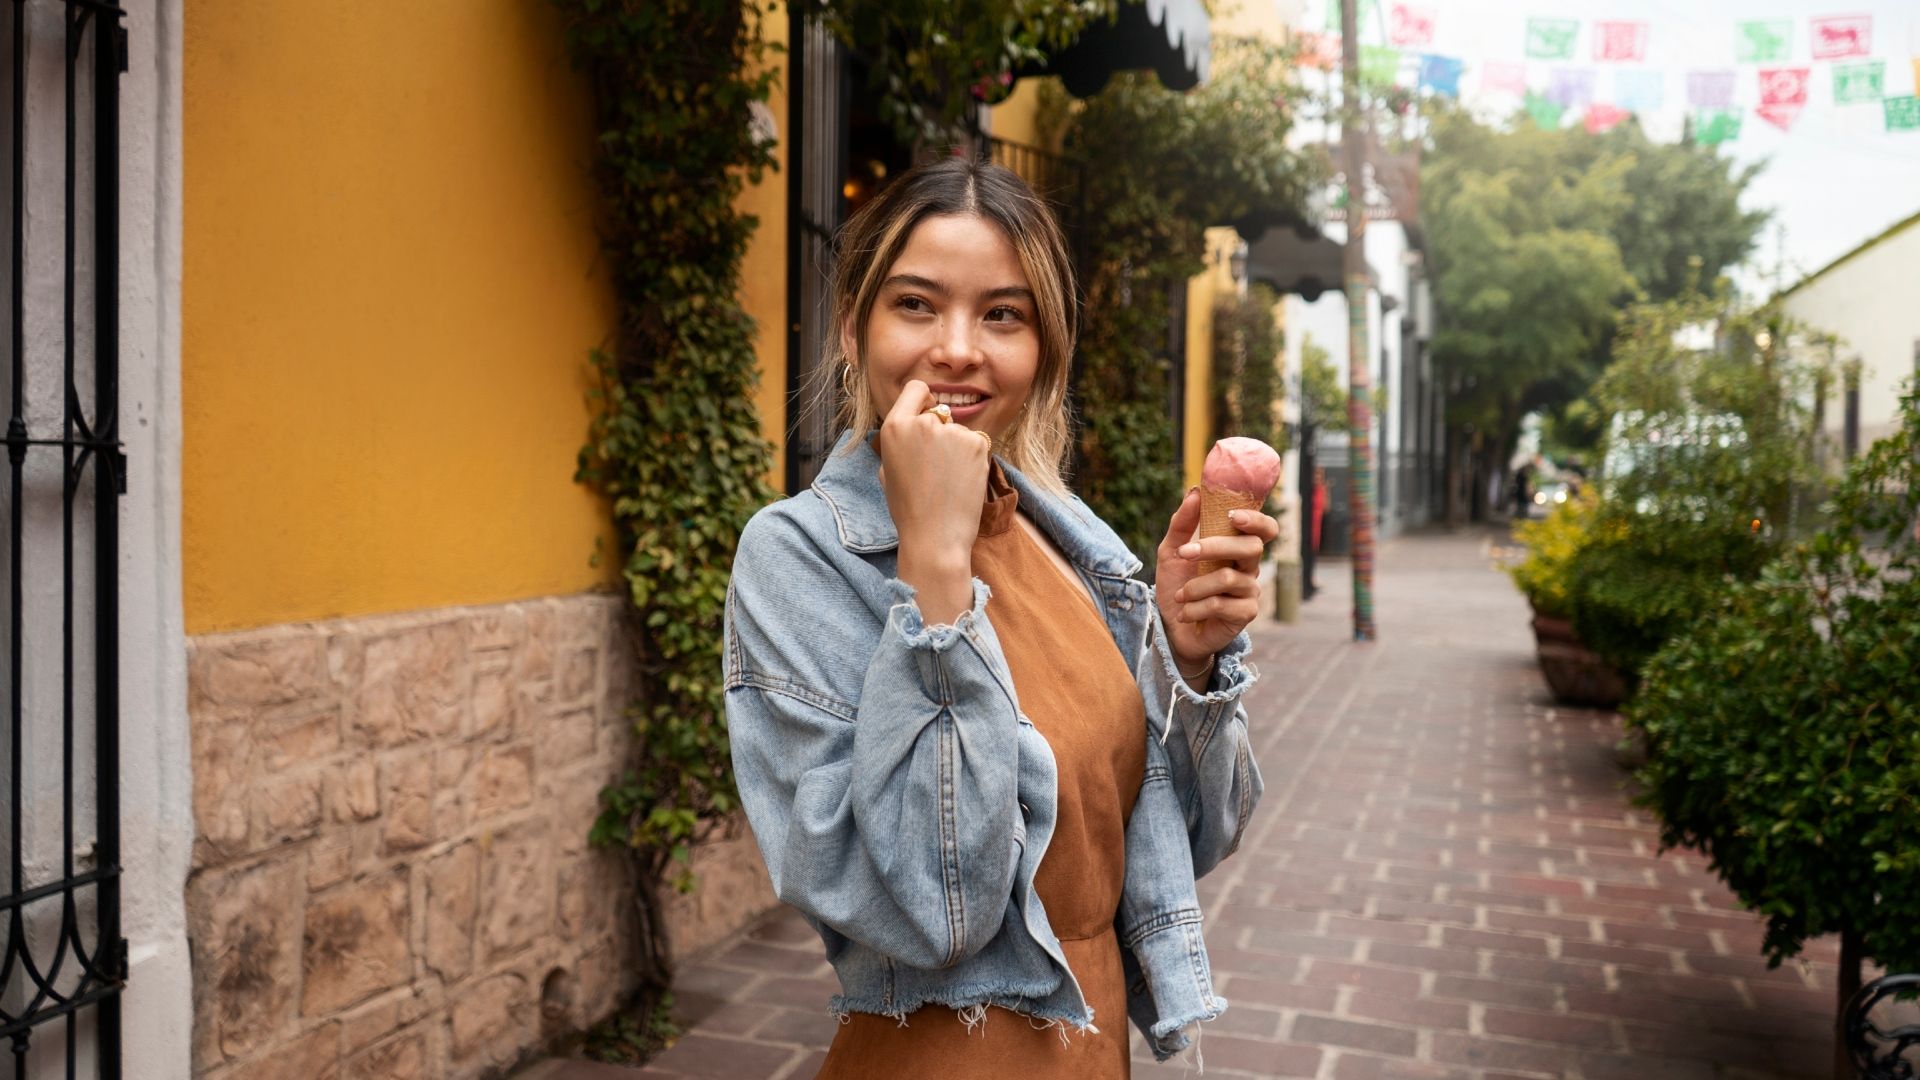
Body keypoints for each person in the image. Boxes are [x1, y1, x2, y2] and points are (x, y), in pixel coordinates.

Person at [723, 157, 1273, 1078]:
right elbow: (938, 910)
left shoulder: (1068, 549)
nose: (959, 348)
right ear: (852, 331)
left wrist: (1185, 657)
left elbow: (1189, 839)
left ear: (1044, 352)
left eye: (1002, 314)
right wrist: (934, 571)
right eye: (915, 305)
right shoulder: (796, 559)